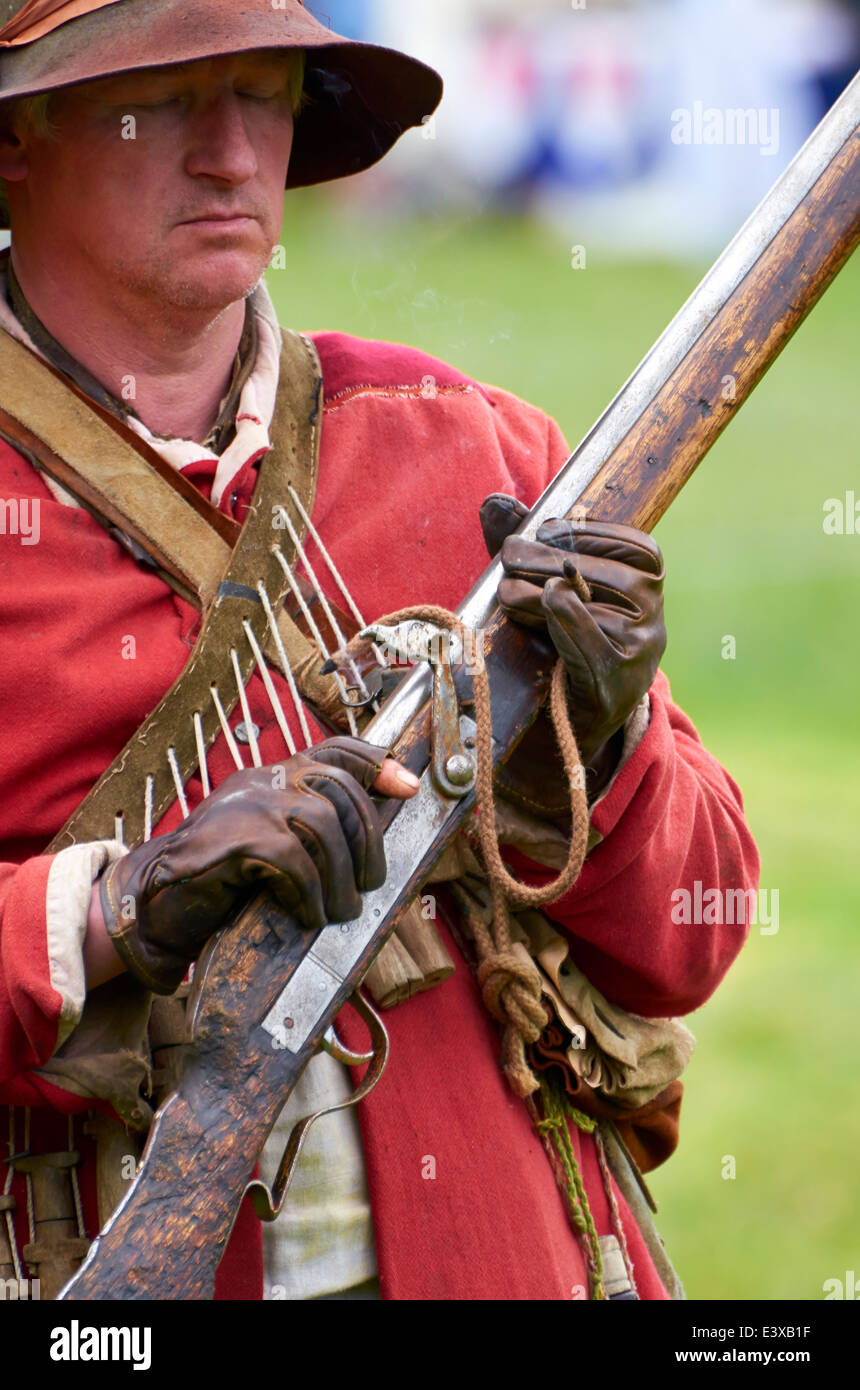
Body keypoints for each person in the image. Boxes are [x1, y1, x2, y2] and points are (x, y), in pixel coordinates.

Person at [0, 0, 759, 1301]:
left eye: (264, 92)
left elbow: (697, 934)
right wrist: (113, 908)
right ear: (20, 138)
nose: (236, 154)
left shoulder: (471, 442)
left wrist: (604, 735)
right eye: (168, 96)